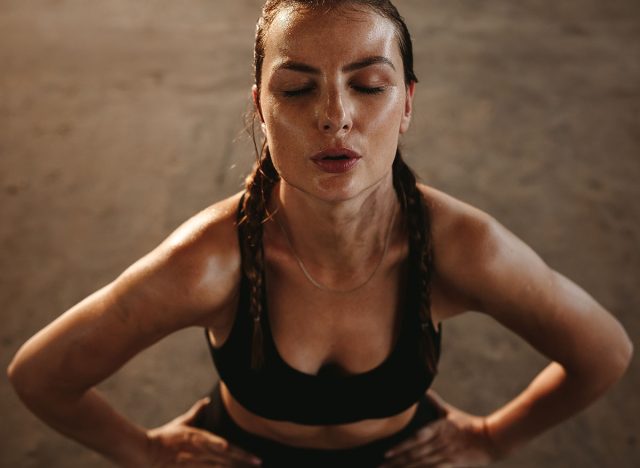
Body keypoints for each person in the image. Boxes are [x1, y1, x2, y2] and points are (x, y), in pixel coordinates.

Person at [7, 0, 633, 467]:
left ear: (407, 103)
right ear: (260, 107)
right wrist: (142, 451)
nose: (335, 116)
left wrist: (494, 439)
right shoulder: (209, 262)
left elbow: (602, 352)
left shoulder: (460, 248)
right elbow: (41, 375)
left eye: (368, 85)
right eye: (297, 88)